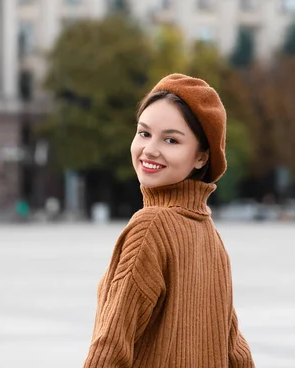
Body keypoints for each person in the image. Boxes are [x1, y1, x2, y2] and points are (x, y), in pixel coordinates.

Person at [84, 74, 255, 367]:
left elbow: (111, 345)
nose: (150, 149)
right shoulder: (210, 236)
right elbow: (236, 351)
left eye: (171, 139)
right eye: (144, 133)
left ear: (201, 157)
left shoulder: (150, 226)